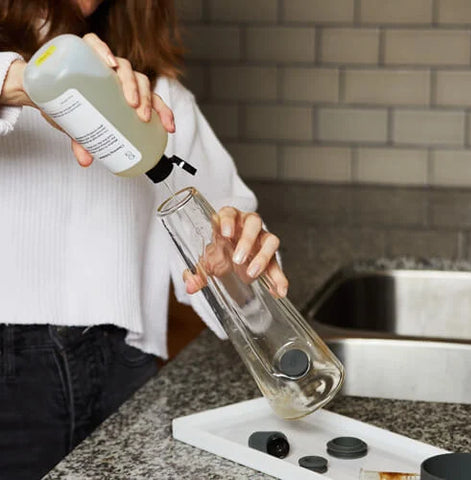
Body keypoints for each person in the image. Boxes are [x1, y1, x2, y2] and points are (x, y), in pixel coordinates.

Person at [0, 1, 289, 478]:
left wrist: (238, 269)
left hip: (124, 369)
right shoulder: (17, 79)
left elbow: (239, 281)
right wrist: (25, 82)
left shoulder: (158, 100)